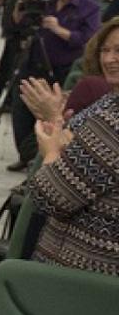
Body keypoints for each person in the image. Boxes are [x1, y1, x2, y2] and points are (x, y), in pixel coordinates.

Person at [23, 20, 119, 275]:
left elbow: (52, 196)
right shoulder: (110, 102)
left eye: (118, 51)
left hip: (82, 271)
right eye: (105, 50)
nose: (109, 58)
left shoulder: (113, 120)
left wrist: (51, 151)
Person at [7, 0, 102, 170]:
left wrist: (59, 29)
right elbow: (19, 26)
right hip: (33, 62)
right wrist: (18, 9)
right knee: (21, 109)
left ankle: (41, 157)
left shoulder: (89, 7)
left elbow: (89, 39)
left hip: (62, 69)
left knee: (52, 115)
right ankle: (25, 154)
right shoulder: (45, 1)